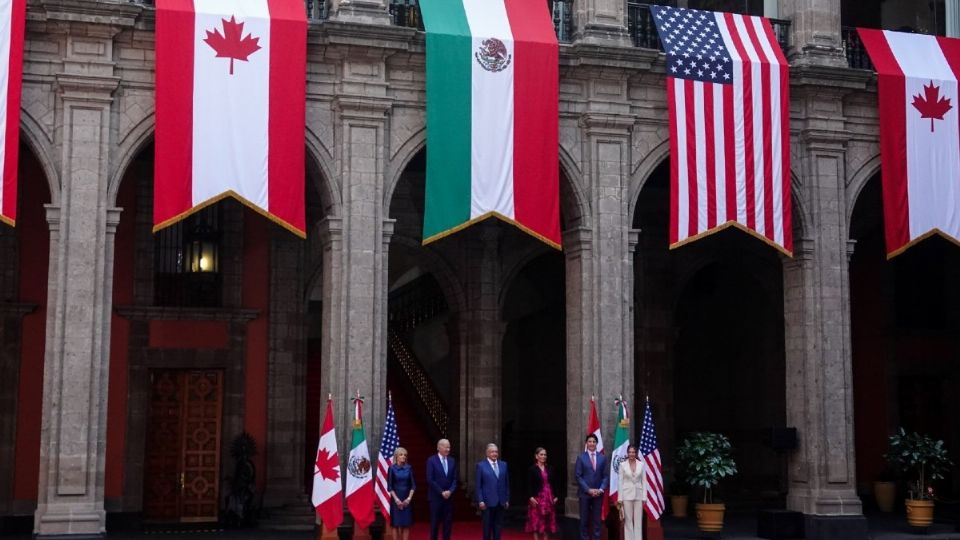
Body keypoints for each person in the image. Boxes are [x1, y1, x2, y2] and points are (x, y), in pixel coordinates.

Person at [575, 434, 609, 540]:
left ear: (597, 444)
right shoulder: (581, 457)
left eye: (594, 441)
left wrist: (600, 489)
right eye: (590, 441)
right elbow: (578, 476)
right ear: (586, 443)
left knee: (597, 521)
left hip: (598, 494)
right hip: (585, 494)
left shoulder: (603, 458)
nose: (592, 443)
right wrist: (588, 490)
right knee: (584, 521)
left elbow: (606, 476)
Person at [475, 443, 510, 540]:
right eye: (492, 452)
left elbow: (506, 484)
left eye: (496, 452)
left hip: (501, 502)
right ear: (487, 453)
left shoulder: (504, 465)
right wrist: (480, 500)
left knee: (498, 528)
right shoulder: (481, 466)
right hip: (487, 502)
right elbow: (479, 485)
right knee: (487, 528)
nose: (495, 454)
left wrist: (506, 499)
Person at [426, 438, 457, 540]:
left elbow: (455, 479)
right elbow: (430, 479)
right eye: (446, 447)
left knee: (447, 523)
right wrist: (441, 492)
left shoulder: (452, 461)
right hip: (436, 498)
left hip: (448, 498)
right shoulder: (431, 460)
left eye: (449, 447)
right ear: (439, 447)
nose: (448, 449)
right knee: (435, 524)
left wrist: (450, 491)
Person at [525, 447, 558, 539]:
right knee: (536, 522)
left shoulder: (551, 468)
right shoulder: (532, 469)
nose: (543, 456)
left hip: (549, 499)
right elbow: (529, 485)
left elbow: (555, 483)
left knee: (547, 524)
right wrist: (530, 497)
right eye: (541, 454)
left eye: (545, 454)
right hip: (537, 499)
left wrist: (556, 496)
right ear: (536, 456)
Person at [617, 445, 647, 540]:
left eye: (633, 452)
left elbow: (644, 481)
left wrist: (644, 497)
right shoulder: (622, 465)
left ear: (636, 453)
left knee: (638, 521)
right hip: (626, 495)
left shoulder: (641, 464)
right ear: (627, 453)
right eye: (630, 452)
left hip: (639, 495)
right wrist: (620, 499)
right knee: (628, 521)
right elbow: (620, 482)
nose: (631, 454)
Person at [388, 447, 416, 540]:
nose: (403, 456)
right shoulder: (392, 468)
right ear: (396, 456)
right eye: (401, 454)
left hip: (407, 499)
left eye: (405, 455)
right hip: (396, 500)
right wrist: (396, 500)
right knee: (396, 524)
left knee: (406, 524)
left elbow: (413, 486)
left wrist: (408, 499)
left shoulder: (409, 468)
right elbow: (390, 487)